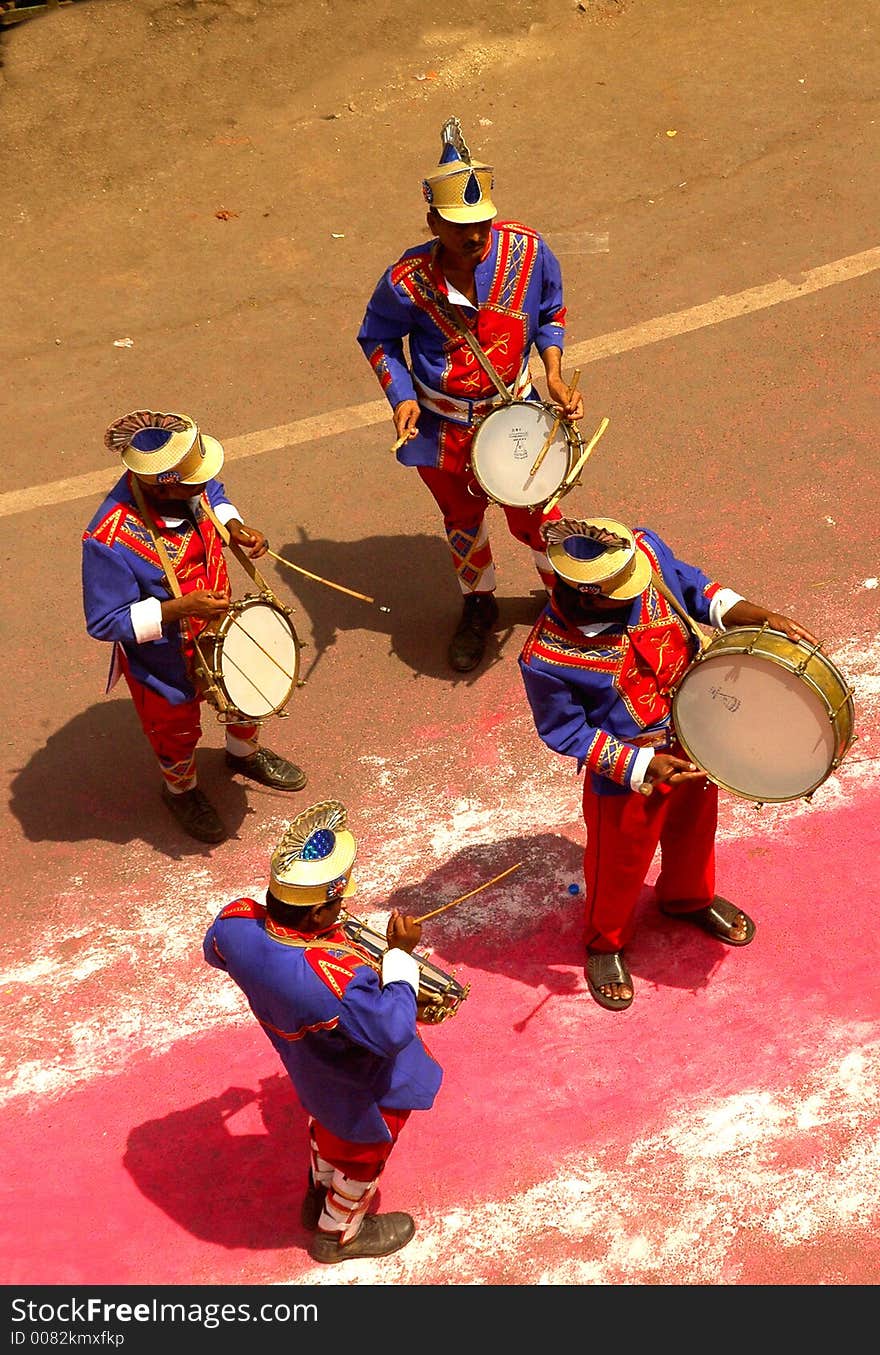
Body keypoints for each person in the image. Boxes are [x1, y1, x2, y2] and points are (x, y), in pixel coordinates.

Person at [518, 516, 819, 1012]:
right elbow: (565, 731)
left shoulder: (643, 554)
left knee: (696, 829)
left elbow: (694, 586)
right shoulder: (545, 658)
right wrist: (641, 766)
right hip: (627, 771)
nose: (639, 590)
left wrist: (755, 615)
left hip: (697, 738)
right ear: (588, 596)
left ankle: (689, 899)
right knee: (617, 862)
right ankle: (605, 942)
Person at [357, 115, 585, 673]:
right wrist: (400, 396)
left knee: (538, 513)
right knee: (461, 519)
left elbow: (551, 312)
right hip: (442, 431)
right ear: (433, 221)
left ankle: (565, 601)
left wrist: (553, 373)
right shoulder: (405, 281)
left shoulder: (530, 252)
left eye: (481, 222)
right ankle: (479, 605)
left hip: (517, 416)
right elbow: (379, 338)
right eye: (460, 225)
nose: (475, 235)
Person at [203, 798, 443, 1264]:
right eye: (337, 903)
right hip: (365, 1083)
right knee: (364, 1153)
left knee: (326, 1129)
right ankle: (339, 1234)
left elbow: (218, 953)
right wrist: (398, 957)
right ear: (315, 916)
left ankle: (318, 1194)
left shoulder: (234, 924)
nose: (343, 907)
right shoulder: (334, 978)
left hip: (307, 1067)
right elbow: (393, 1030)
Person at [82, 408, 307, 845]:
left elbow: (214, 492)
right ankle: (180, 791)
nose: (203, 486)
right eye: (193, 483)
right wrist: (177, 608)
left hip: (220, 628)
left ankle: (243, 755)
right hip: (162, 657)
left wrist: (234, 525)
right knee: (174, 727)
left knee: (247, 687)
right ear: (158, 483)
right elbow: (105, 621)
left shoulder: (186, 485)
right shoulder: (106, 540)